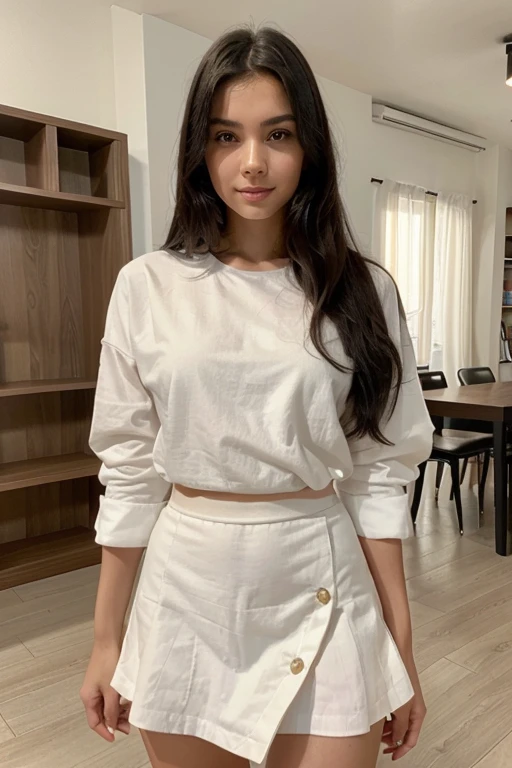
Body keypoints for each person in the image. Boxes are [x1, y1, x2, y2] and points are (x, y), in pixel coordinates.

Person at [80, 24, 434, 768]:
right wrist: (107, 636)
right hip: (188, 593)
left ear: (310, 148)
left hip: (321, 581)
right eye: (225, 136)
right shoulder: (147, 287)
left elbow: (379, 472)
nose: (251, 163)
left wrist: (399, 645)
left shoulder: (362, 292)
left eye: (277, 133)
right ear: (198, 151)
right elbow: (131, 470)